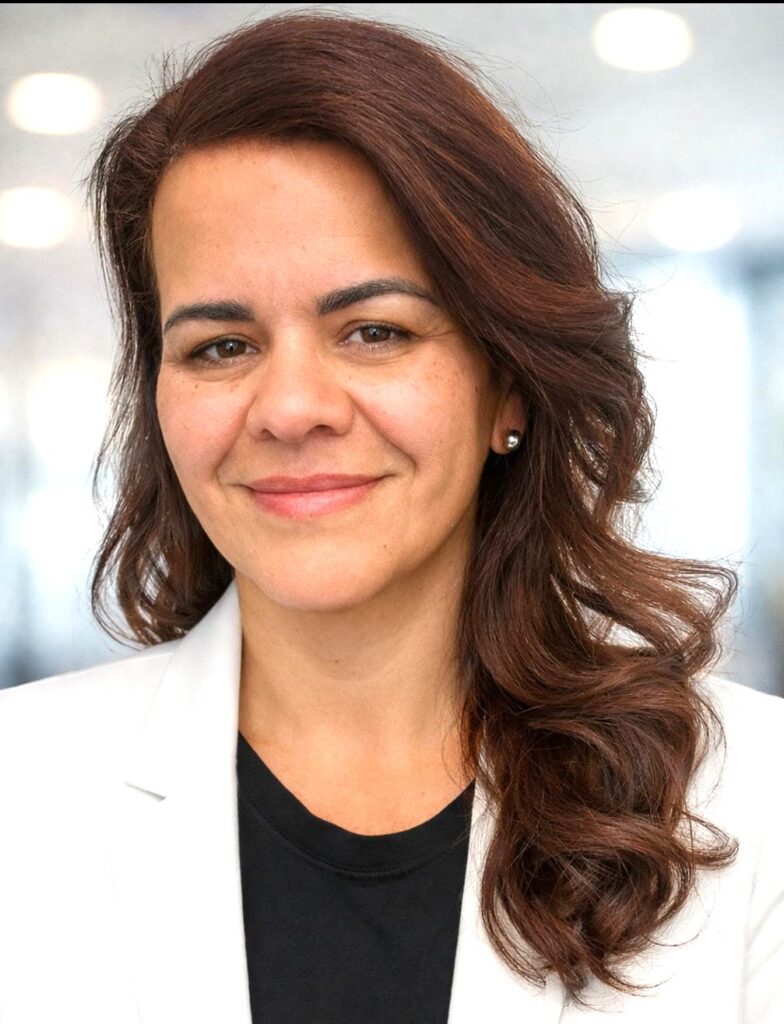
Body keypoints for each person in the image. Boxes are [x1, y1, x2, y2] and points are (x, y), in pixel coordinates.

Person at [0, 9, 782, 1024]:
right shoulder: (22, 787)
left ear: (508, 383)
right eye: (220, 346)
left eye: (374, 331)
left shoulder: (752, 800)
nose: (290, 409)